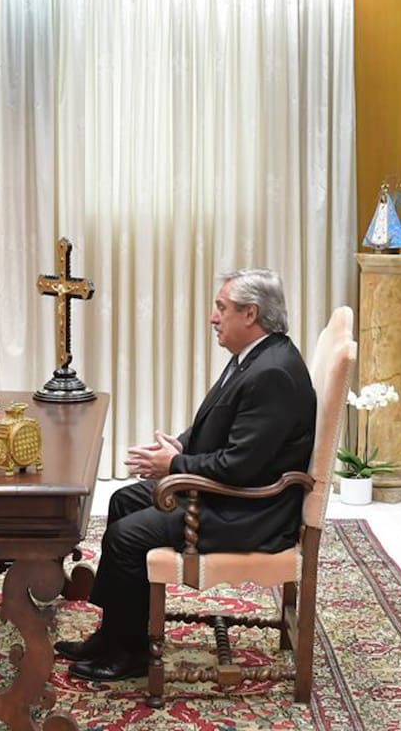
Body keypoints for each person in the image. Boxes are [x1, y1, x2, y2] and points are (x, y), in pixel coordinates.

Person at [55, 268, 317, 682]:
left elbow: (238, 466)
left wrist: (173, 467)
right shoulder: (254, 358)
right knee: (124, 501)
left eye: (221, 308)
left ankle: (131, 653)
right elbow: (218, 428)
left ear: (250, 314)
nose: (214, 317)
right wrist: (179, 447)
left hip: (250, 513)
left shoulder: (273, 374)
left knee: (127, 537)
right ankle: (116, 634)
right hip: (229, 494)